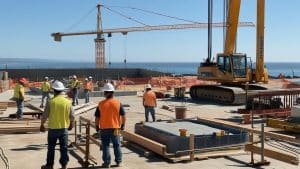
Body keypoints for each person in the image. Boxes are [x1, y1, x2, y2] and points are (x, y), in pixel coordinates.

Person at [40, 80, 74, 169]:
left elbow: (45, 115)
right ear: (62, 90)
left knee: (51, 148)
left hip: (52, 129)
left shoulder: (51, 102)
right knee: (64, 148)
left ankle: (49, 165)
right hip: (64, 129)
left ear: (53, 90)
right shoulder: (68, 102)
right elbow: (72, 116)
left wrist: (42, 124)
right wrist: (71, 125)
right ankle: (64, 165)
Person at [94, 83, 126, 168]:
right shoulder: (118, 103)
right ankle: (118, 162)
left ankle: (107, 163)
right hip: (115, 128)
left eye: (105, 92)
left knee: (105, 146)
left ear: (107, 93)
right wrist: (123, 125)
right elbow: (123, 115)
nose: (104, 93)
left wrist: (97, 126)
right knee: (117, 145)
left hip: (104, 129)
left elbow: (97, 117)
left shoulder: (100, 104)